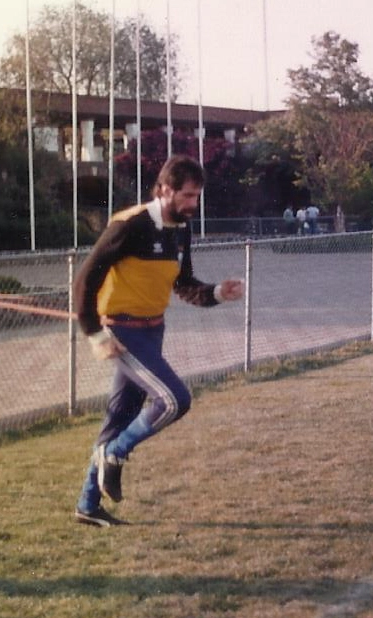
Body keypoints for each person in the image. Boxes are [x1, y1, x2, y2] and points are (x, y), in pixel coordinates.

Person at [72, 154, 245, 526]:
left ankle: (87, 506)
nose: (192, 205)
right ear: (164, 189)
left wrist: (216, 292)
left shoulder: (180, 229)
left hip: (153, 330)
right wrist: (94, 333)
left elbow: (183, 284)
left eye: (197, 197)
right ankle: (114, 455)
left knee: (120, 417)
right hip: (121, 331)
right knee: (174, 400)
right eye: (186, 195)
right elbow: (85, 280)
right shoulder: (129, 225)